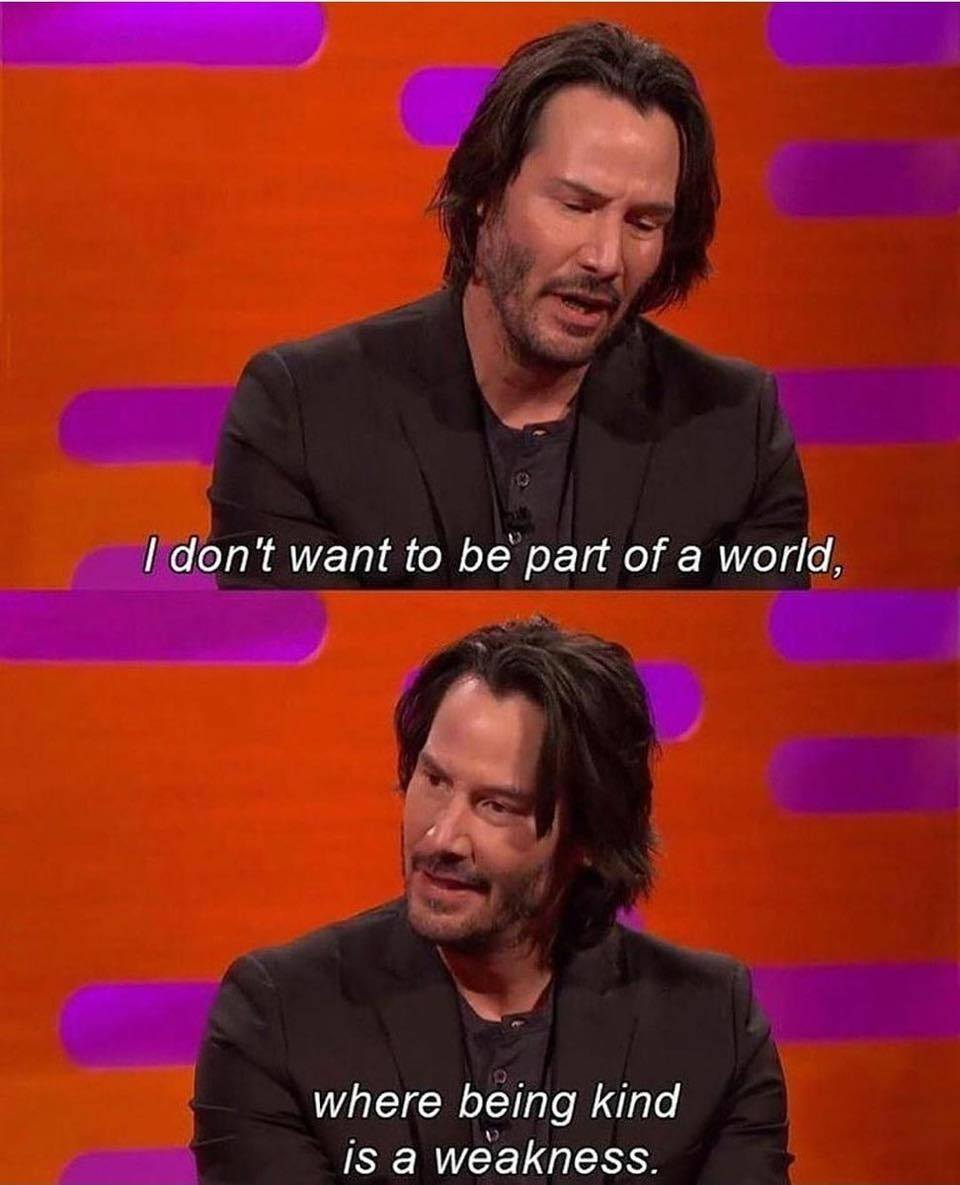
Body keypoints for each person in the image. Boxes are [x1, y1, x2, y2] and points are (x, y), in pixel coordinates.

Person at [208, 22, 808, 590]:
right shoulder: (303, 416)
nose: (606, 258)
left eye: (643, 223)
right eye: (575, 206)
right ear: (487, 193)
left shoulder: (737, 432)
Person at [191, 618, 793, 1183]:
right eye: (434, 781)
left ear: (588, 835)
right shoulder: (281, 1018)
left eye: (496, 806)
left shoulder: (710, 1026)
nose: (441, 837)